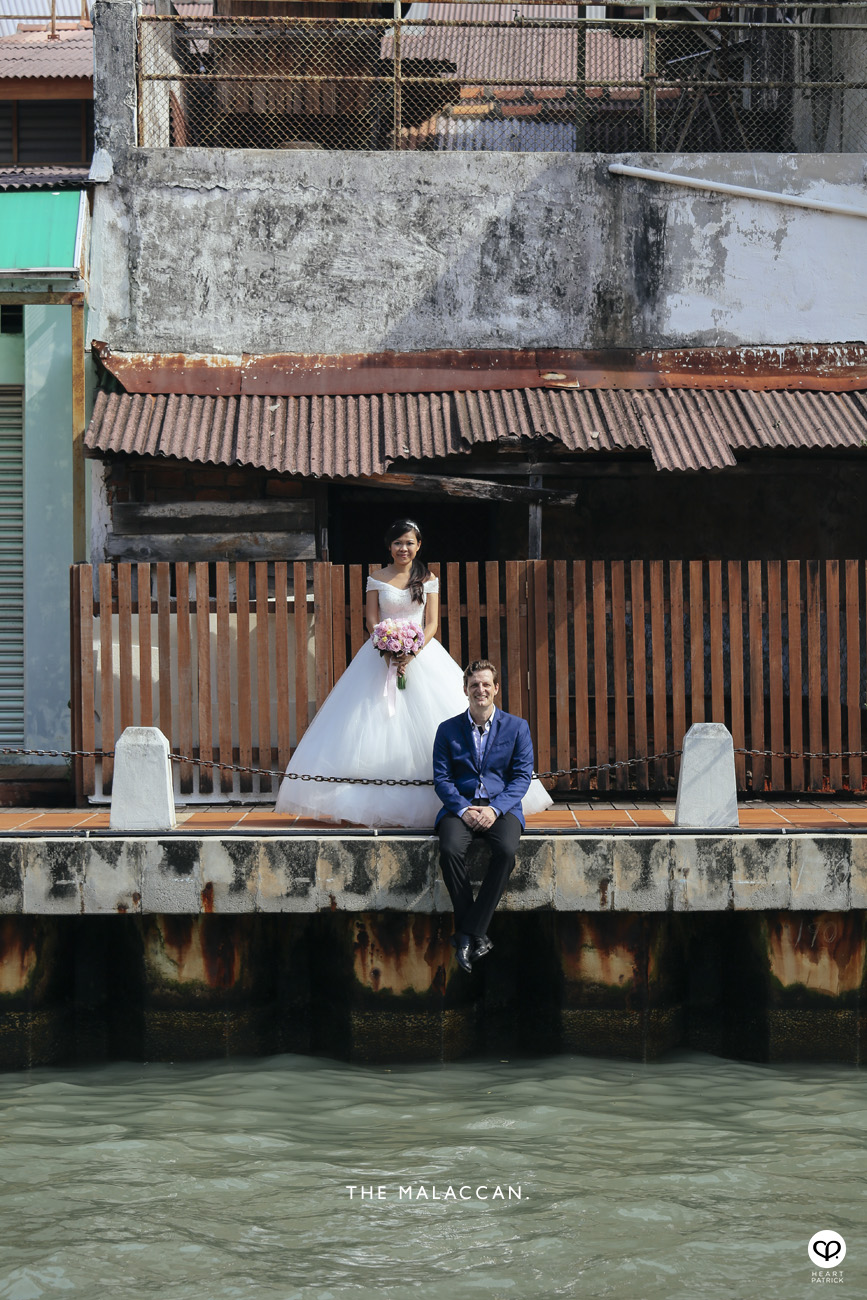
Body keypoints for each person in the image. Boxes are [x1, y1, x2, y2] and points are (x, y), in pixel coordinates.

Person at [275, 519, 552, 829]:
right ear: (389, 546)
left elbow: (431, 623)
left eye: (409, 542)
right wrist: (388, 646)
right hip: (379, 656)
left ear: (418, 545)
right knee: (372, 724)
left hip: (422, 654)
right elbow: (371, 620)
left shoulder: (428, 578)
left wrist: (411, 651)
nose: (403, 548)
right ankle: (371, 804)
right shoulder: (375, 578)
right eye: (397, 543)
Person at [433, 659, 539, 972]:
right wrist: (463, 809)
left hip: (501, 807)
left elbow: (521, 777)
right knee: (449, 850)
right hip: (461, 805)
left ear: (495, 689)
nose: (480, 690)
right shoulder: (447, 730)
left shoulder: (517, 727)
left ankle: (468, 934)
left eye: (486, 684)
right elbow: (442, 778)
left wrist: (495, 809)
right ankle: (475, 934)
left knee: (506, 852)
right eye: (474, 685)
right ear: (465, 690)